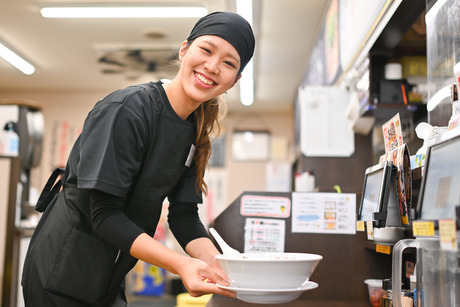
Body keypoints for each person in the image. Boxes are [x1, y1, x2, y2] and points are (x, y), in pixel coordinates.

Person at [22, 11, 255, 307]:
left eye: (228, 63)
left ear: (235, 80)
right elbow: (105, 214)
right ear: (184, 50)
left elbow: (183, 215)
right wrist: (180, 264)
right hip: (61, 272)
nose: (212, 66)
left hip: (110, 273)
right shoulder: (128, 110)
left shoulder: (194, 132)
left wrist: (221, 267)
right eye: (206, 50)